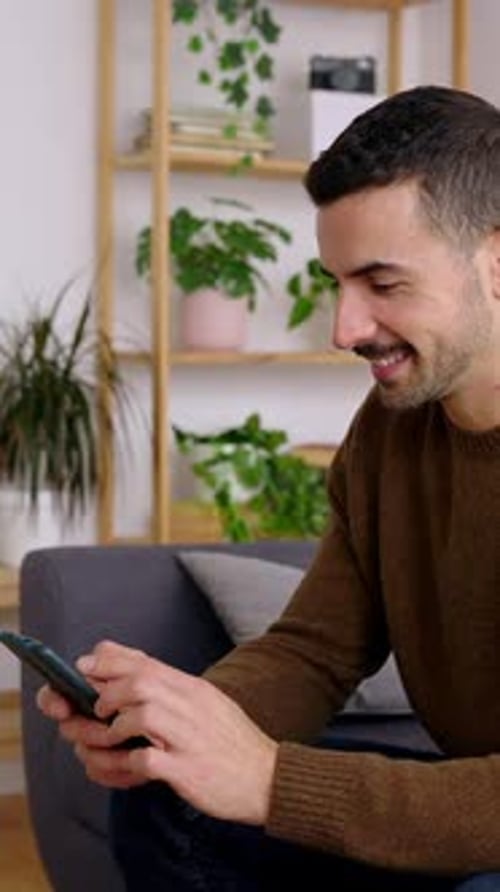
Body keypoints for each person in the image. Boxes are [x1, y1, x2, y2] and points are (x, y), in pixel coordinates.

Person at [38, 84, 500, 891]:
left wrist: (271, 781)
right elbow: (317, 650)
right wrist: (181, 725)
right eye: (338, 282)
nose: (344, 328)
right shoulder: (391, 429)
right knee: (172, 799)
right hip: (466, 808)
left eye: (383, 285)